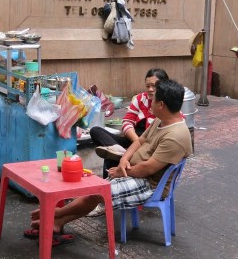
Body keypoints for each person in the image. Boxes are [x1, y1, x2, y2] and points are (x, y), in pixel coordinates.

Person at [24, 78, 192, 245]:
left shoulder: (175, 136)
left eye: (153, 100)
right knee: (94, 191)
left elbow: (148, 169)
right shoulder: (161, 120)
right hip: (134, 172)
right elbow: (140, 141)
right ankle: (56, 220)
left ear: (161, 104)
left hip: (150, 185)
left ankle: (53, 216)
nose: (150, 102)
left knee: (98, 193)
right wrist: (125, 159)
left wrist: (121, 171)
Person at [88, 68, 169, 215]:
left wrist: (139, 148)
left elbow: (158, 136)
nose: (150, 90)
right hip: (132, 142)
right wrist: (136, 143)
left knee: (109, 157)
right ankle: (120, 153)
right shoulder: (140, 99)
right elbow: (127, 122)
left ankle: (106, 193)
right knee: (95, 131)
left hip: (147, 151)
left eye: (154, 86)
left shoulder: (166, 106)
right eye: (148, 86)